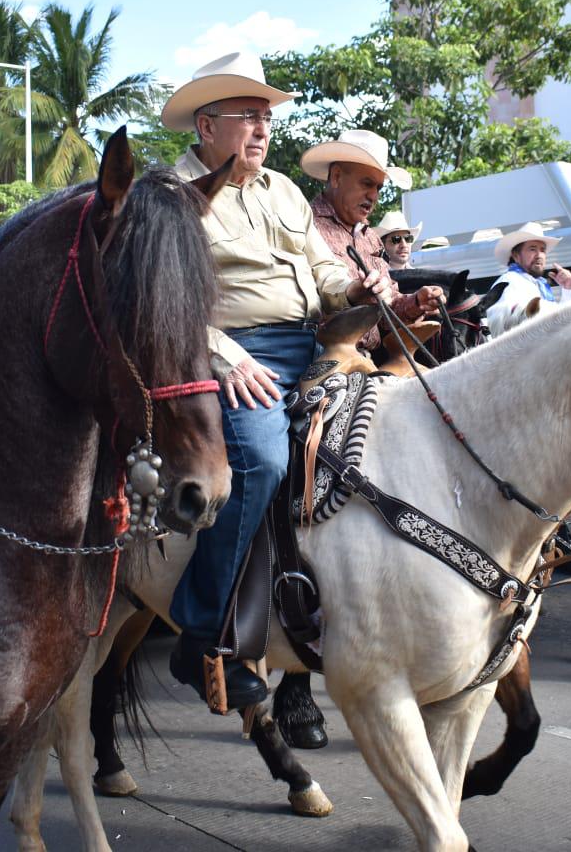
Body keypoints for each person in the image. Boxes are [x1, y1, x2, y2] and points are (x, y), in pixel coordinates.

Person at [158, 53, 392, 710]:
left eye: (267, 117)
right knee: (260, 461)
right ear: (206, 125)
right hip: (233, 353)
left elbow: (323, 275)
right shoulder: (173, 196)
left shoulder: (284, 190)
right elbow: (164, 302)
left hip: (315, 343)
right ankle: (200, 631)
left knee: (399, 421)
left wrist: (358, 284)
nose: (263, 129)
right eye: (249, 117)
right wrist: (227, 358)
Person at [304, 130, 441, 352]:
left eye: (378, 187)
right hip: (321, 358)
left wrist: (417, 302)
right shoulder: (305, 226)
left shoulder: (370, 238)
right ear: (337, 177)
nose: (374, 196)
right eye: (367, 184)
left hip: (369, 360)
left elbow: (388, 313)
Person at [483, 222, 571, 337]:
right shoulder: (508, 282)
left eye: (542, 250)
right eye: (532, 249)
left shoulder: (536, 284)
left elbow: (564, 323)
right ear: (516, 256)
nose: (539, 255)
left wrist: (567, 289)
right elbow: (500, 322)